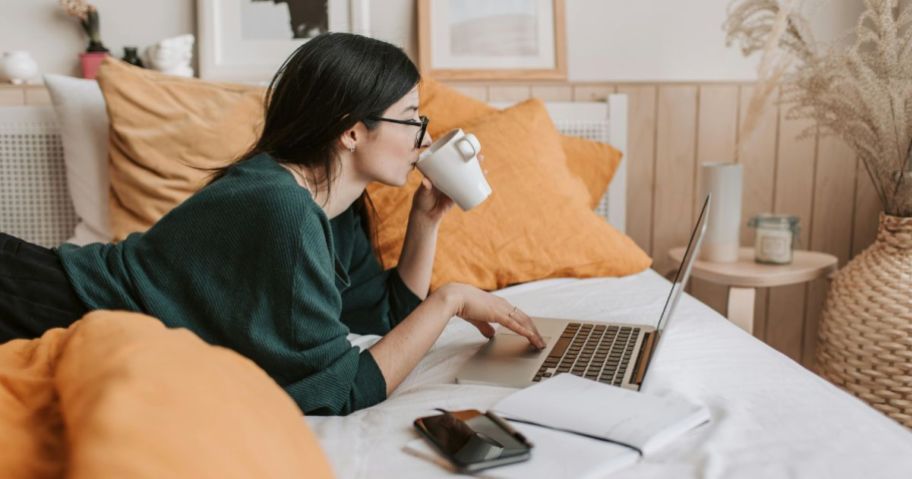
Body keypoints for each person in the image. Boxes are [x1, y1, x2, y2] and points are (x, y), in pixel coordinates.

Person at [0, 32, 544, 415]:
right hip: (44, 304)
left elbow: (382, 319)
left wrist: (426, 222)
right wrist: (449, 300)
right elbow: (343, 391)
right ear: (352, 132)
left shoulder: (334, 205)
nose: (424, 138)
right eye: (411, 118)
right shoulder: (280, 209)